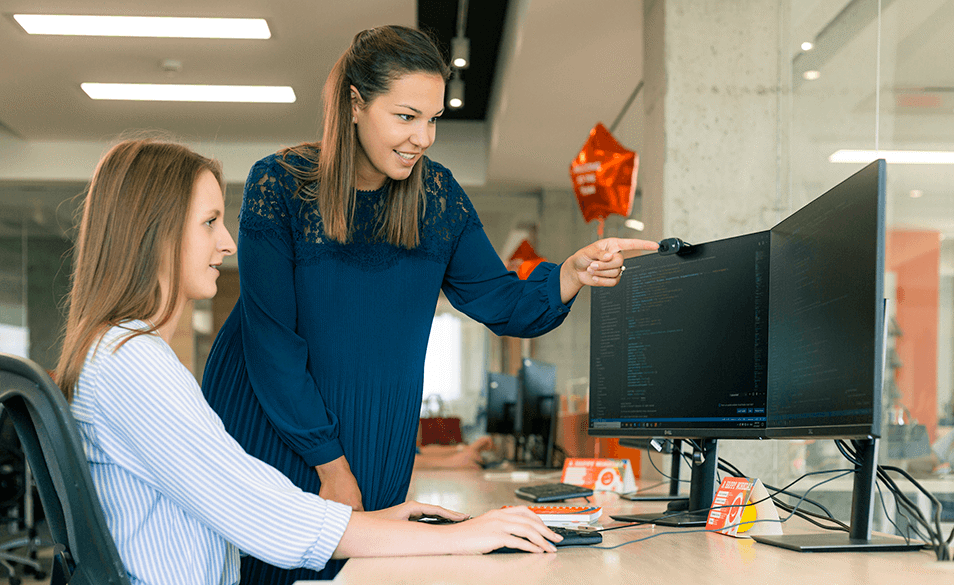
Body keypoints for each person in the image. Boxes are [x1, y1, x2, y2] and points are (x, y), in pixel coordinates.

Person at [201, 25, 657, 583]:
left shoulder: (436, 197)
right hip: (274, 430)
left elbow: (502, 300)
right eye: (406, 116)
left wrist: (570, 273)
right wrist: (330, 464)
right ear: (354, 104)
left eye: (433, 119)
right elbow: (270, 342)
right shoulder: (281, 186)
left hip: (372, 441)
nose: (423, 137)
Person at [55, 137, 563, 585]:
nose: (228, 243)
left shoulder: (118, 356)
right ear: (154, 232)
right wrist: (465, 536)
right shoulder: (131, 366)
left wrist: (382, 522)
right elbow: (262, 513)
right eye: (209, 222)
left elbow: (248, 499)